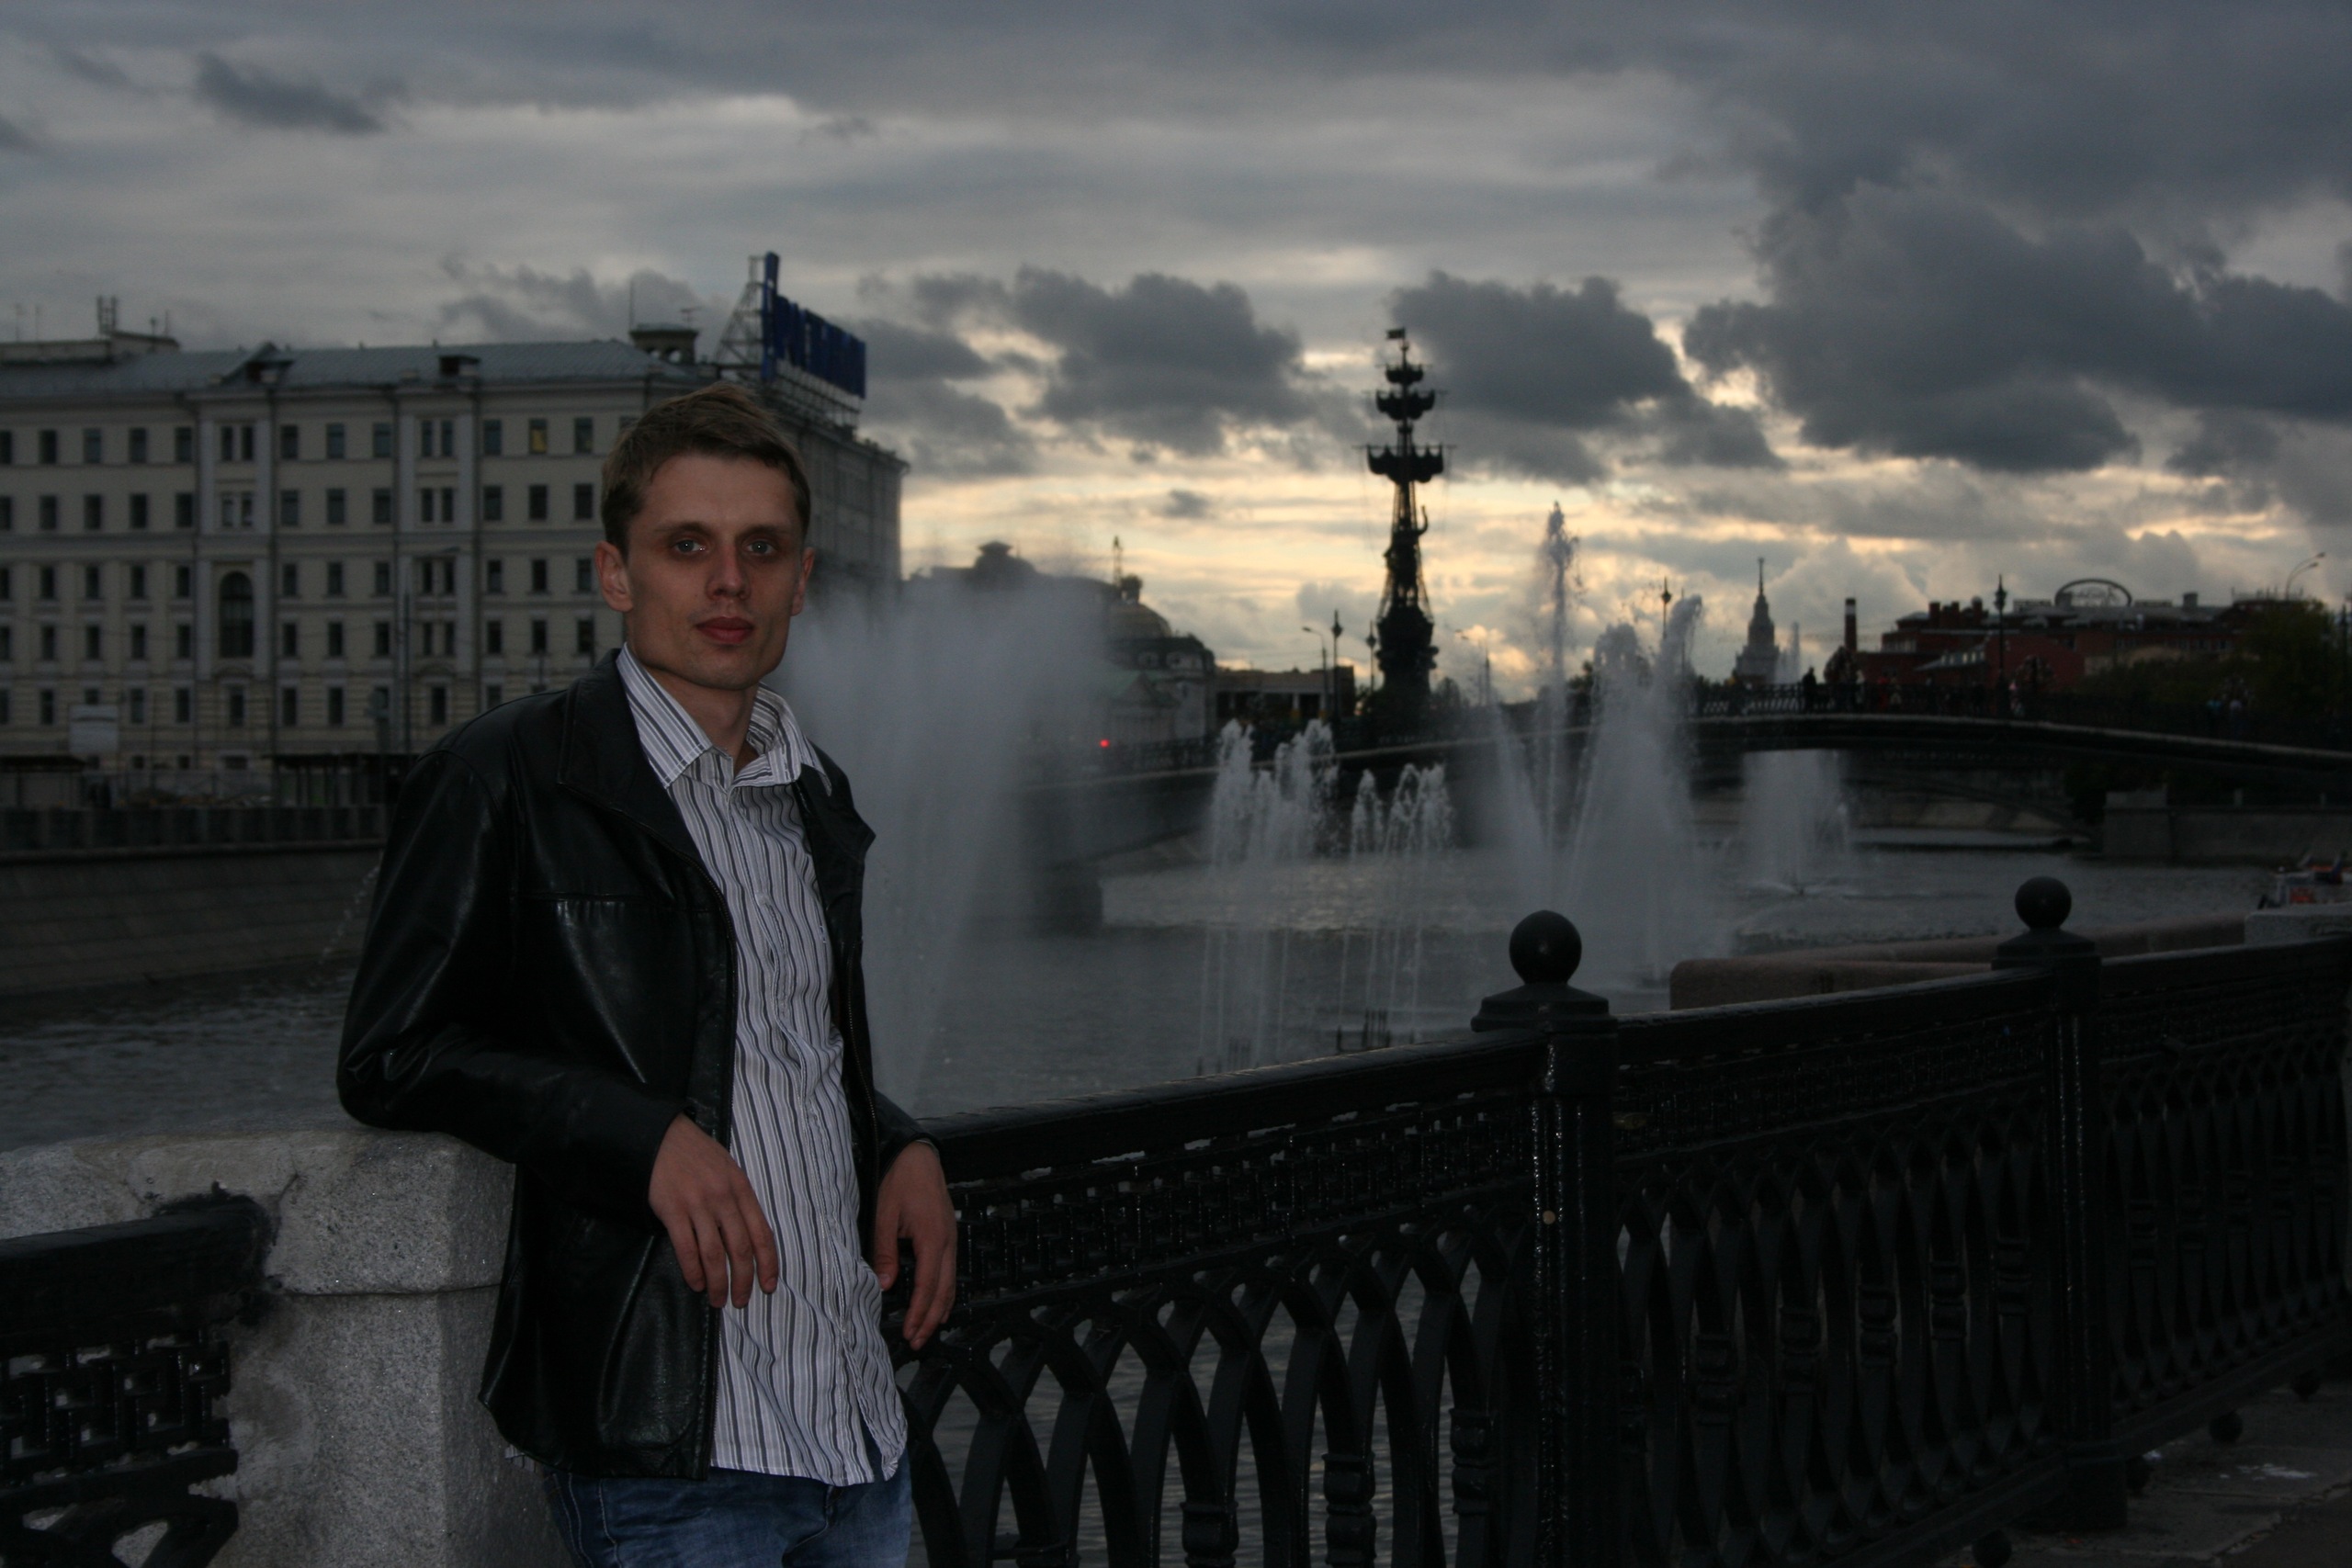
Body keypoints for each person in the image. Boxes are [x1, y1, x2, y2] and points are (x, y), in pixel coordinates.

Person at [338, 382, 954, 1568]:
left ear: (801, 581)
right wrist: (640, 1139)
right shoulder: (505, 776)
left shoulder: (813, 793)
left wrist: (895, 1140)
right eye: (687, 547)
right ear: (616, 574)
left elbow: (772, 1042)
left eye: (761, 550)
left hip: (855, 1431)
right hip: (669, 1447)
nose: (728, 583)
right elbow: (391, 1056)